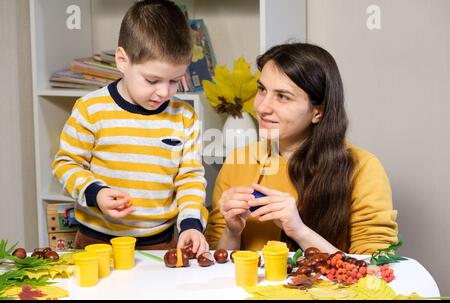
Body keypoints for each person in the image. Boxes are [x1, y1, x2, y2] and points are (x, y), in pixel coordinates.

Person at [205, 43, 398, 254]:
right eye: (262, 90)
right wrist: (232, 233)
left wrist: (299, 231)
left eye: (283, 96)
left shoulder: (364, 169)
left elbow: (375, 270)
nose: (261, 107)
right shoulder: (238, 161)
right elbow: (214, 262)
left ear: (318, 112)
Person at [52, 0, 209, 256]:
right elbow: (66, 164)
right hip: (97, 241)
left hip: (159, 243)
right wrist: (95, 193)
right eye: (152, 80)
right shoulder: (90, 109)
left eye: (174, 81)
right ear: (122, 60)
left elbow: (190, 177)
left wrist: (191, 222)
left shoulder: (185, 117)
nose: (163, 92)